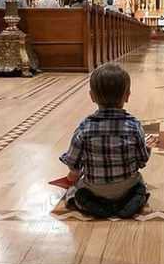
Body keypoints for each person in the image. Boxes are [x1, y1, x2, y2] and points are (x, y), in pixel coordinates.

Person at [59, 63, 157, 218]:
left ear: (91, 96)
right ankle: (131, 203)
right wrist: (148, 147)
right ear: (127, 95)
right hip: (127, 187)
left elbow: (73, 163)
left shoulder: (84, 128)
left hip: (95, 189)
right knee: (140, 186)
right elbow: (141, 161)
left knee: (77, 191)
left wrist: (72, 178)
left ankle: (92, 205)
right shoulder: (134, 126)